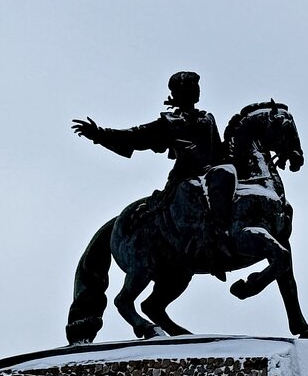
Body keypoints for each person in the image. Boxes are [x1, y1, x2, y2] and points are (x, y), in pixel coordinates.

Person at [72, 72, 236, 264]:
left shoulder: (207, 118)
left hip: (214, 174)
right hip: (185, 178)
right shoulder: (169, 123)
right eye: (193, 87)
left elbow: (217, 149)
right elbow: (135, 136)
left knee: (228, 180)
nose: (197, 90)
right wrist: (98, 134)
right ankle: (206, 241)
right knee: (192, 192)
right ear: (181, 92)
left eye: (197, 87)